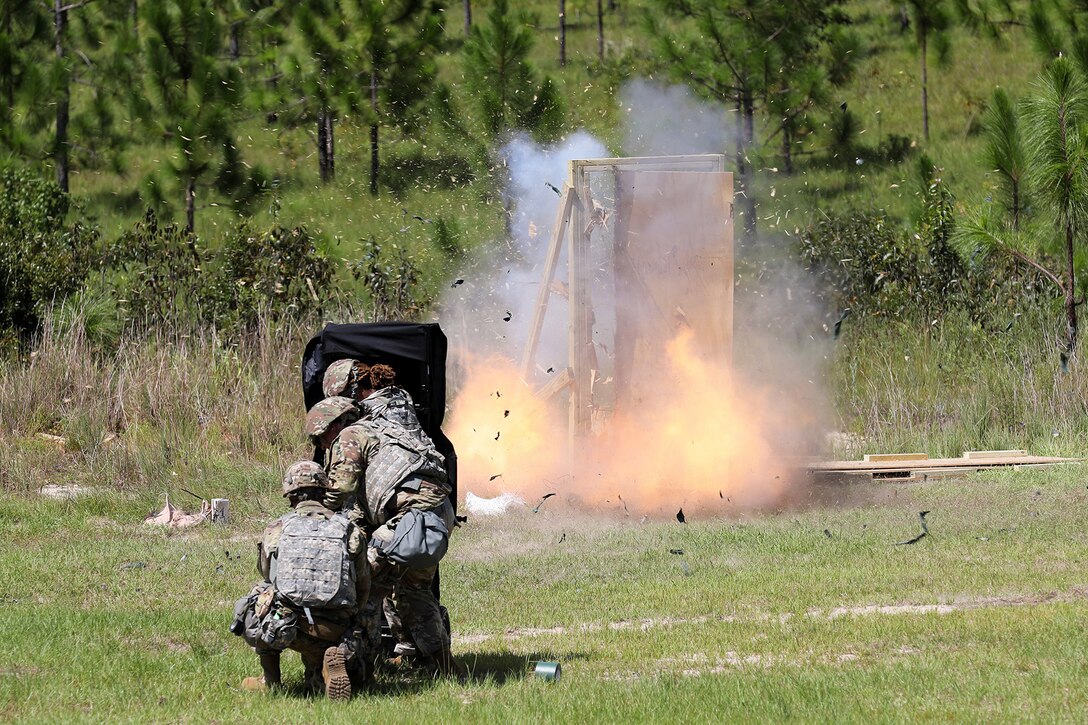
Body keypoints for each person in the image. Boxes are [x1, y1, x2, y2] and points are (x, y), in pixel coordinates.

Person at [304, 364, 461, 678]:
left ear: (335, 423)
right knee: (413, 591)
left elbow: (339, 493)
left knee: (363, 586)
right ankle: (442, 669)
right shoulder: (396, 412)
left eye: (322, 438)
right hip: (436, 513)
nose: (323, 447)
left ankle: (363, 666)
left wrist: (309, 517)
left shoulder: (353, 433)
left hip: (410, 519)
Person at [232, 461, 370, 699]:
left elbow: (268, 575)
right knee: (349, 677)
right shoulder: (349, 529)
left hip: (286, 625)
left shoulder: (277, 528)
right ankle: (335, 665)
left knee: (257, 596)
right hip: (335, 626)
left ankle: (271, 680)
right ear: (325, 491)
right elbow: (363, 585)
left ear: (290, 495)